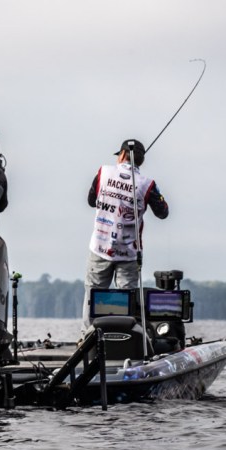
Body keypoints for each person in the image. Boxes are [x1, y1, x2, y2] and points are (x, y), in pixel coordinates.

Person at [81, 139, 169, 327]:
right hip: (129, 253)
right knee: (126, 300)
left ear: (121, 155)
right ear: (141, 161)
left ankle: (87, 337)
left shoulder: (103, 172)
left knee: (93, 296)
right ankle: (125, 336)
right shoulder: (148, 185)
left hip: (100, 247)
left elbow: (90, 200)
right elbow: (163, 213)